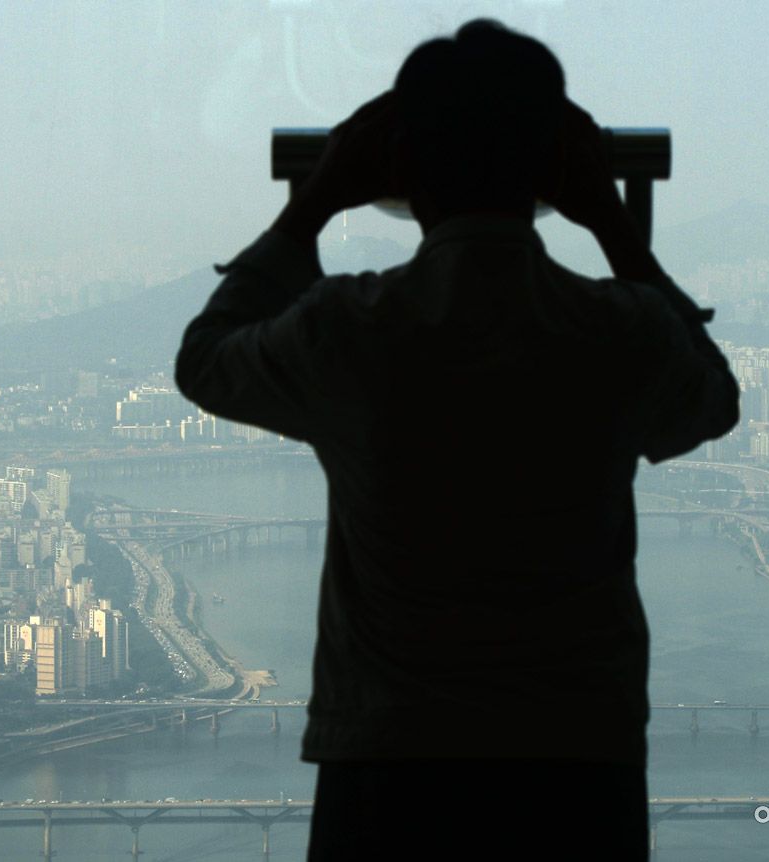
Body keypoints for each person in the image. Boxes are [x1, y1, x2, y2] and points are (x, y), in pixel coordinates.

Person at [175, 19, 739, 862]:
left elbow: (205, 363)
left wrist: (311, 204)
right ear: (557, 168)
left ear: (400, 165)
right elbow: (712, 401)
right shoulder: (617, 332)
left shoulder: (350, 330)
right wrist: (615, 227)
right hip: (578, 763)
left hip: (388, 763)